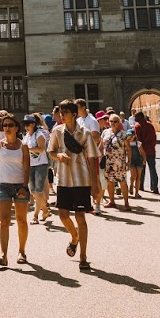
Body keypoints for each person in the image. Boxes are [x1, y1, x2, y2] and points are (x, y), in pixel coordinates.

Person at [49, 99, 100, 271]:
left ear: (74, 114)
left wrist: (96, 184)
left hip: (81, 180)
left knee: (80, 217)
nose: (62, 116)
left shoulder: (85, 133)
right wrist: (58, 156)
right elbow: (51, 151)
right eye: (61, 113)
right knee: (63, 216)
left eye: (65, 113)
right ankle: (74, 236)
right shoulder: (56, 131)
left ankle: (83, 257)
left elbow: (93, 159)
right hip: (63, 179)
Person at [0, 114, 31, 266]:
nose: (7, 128)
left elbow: (27, 168)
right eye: (5, 125)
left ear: (16, 128)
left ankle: (21, 251)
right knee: (4, 221)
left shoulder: (23, 146)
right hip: (4, 186)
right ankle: (3, 254)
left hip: (20, 185)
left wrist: (25, 186)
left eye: (10, 125)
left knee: (21, 220)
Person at [23, 113, 52, 226]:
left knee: (39, 191)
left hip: (40, 164)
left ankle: (35, 216)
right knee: (34, 191)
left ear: (33, 124)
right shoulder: (26, 136)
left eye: (28, 124)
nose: (26, 127)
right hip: (30, 165)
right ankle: (45, 210)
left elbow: (41, 149)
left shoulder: (39, 134)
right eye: (25, 125)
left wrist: (28, 149)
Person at [100, 113, 132, 211]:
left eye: (115, 121)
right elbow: (101, 146)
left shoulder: (123, 134)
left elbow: (128, 149)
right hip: (108, 162)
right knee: (110, 182)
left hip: (119, 162)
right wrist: (99, 156)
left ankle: (126, 203)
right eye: (111, 121)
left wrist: (128, 161)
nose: (113, 123)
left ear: (119, 123)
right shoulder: (105, 132)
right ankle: (112, 201)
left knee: (122, 182)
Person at [132, 111, 157, 195]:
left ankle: (140, 186)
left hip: (142, 151)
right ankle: (154, 187)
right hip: (151, 150)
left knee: (141, 169)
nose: (134, 118)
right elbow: (154, 138)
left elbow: (138, 139)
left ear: (139, 117)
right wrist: (152, 146)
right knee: (152, 169)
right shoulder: (150, 125)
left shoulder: (137, 126)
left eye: (135, 116)